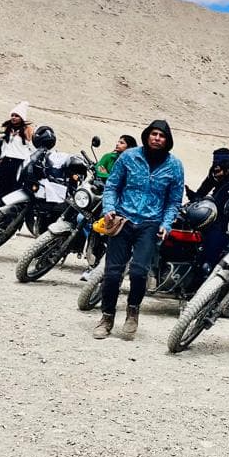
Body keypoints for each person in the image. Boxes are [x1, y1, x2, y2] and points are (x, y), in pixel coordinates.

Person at [92, 119, 185, 341]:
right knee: (112, 273)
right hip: (123, 219)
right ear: (147, 135)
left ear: (167, 140)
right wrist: (109, 208)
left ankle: (132, 313)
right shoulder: (129, 156)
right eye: (154, 134)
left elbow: (174, 201)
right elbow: (112, 186)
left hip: (150, 224)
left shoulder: (175, 166)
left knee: (138, 272)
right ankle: (106, 318)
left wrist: (166, 224)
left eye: (162, 136)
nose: (157, 138)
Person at [194, 150, 229, 270]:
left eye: (219, 167)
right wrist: (197, 198)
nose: (216, 169)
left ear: (227, 167)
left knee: (220, 232)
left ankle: (210, 263)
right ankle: (204, 264)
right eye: (214, 164)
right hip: (217, 201)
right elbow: (207, 184)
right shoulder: (215, 170)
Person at [0, 102, 34, 205]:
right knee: (2, 186)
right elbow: (4, 145)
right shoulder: (7, 128)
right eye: (12, 115)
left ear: (22, 117)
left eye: (16, 116)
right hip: (7, 160)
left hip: (19, 161)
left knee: (15, 187)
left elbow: (31, 146)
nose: (13, 117)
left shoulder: (27, 129)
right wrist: (1, 157)